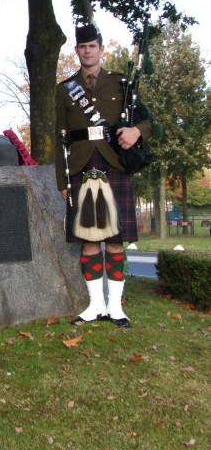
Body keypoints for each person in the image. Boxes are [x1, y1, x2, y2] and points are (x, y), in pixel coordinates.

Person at [55, 22, 151, 328]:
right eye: (82, 47)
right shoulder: (65, 89)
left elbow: (147, 121)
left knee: (115, 239)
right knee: (89, 240)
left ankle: (116, 307)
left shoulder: (121, 83)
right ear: (76, 51)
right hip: (81, 166)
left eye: (92, 46)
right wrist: (62, 180)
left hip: (114, 164)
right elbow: (60, 139)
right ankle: (95, 305)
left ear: (101, 49)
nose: (87, 51)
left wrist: (136, 131)